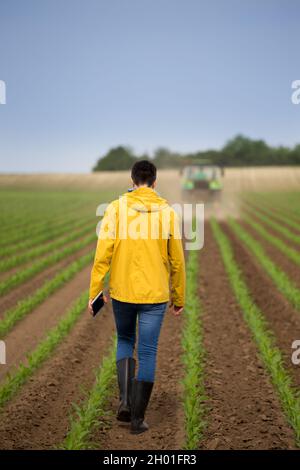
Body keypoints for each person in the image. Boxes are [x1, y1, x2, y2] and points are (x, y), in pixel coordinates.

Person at [88, 160, 185, 435]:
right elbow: (177, 260)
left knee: (125, 340)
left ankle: (126, 402)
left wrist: (96, 291)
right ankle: (138, 419)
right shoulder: (167, 212)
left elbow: (102, 254)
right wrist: (179, 296)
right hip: (155, 295)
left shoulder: (116, 208)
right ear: (154, 182)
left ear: (132, 181)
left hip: (122, 291)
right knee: (148, 351)